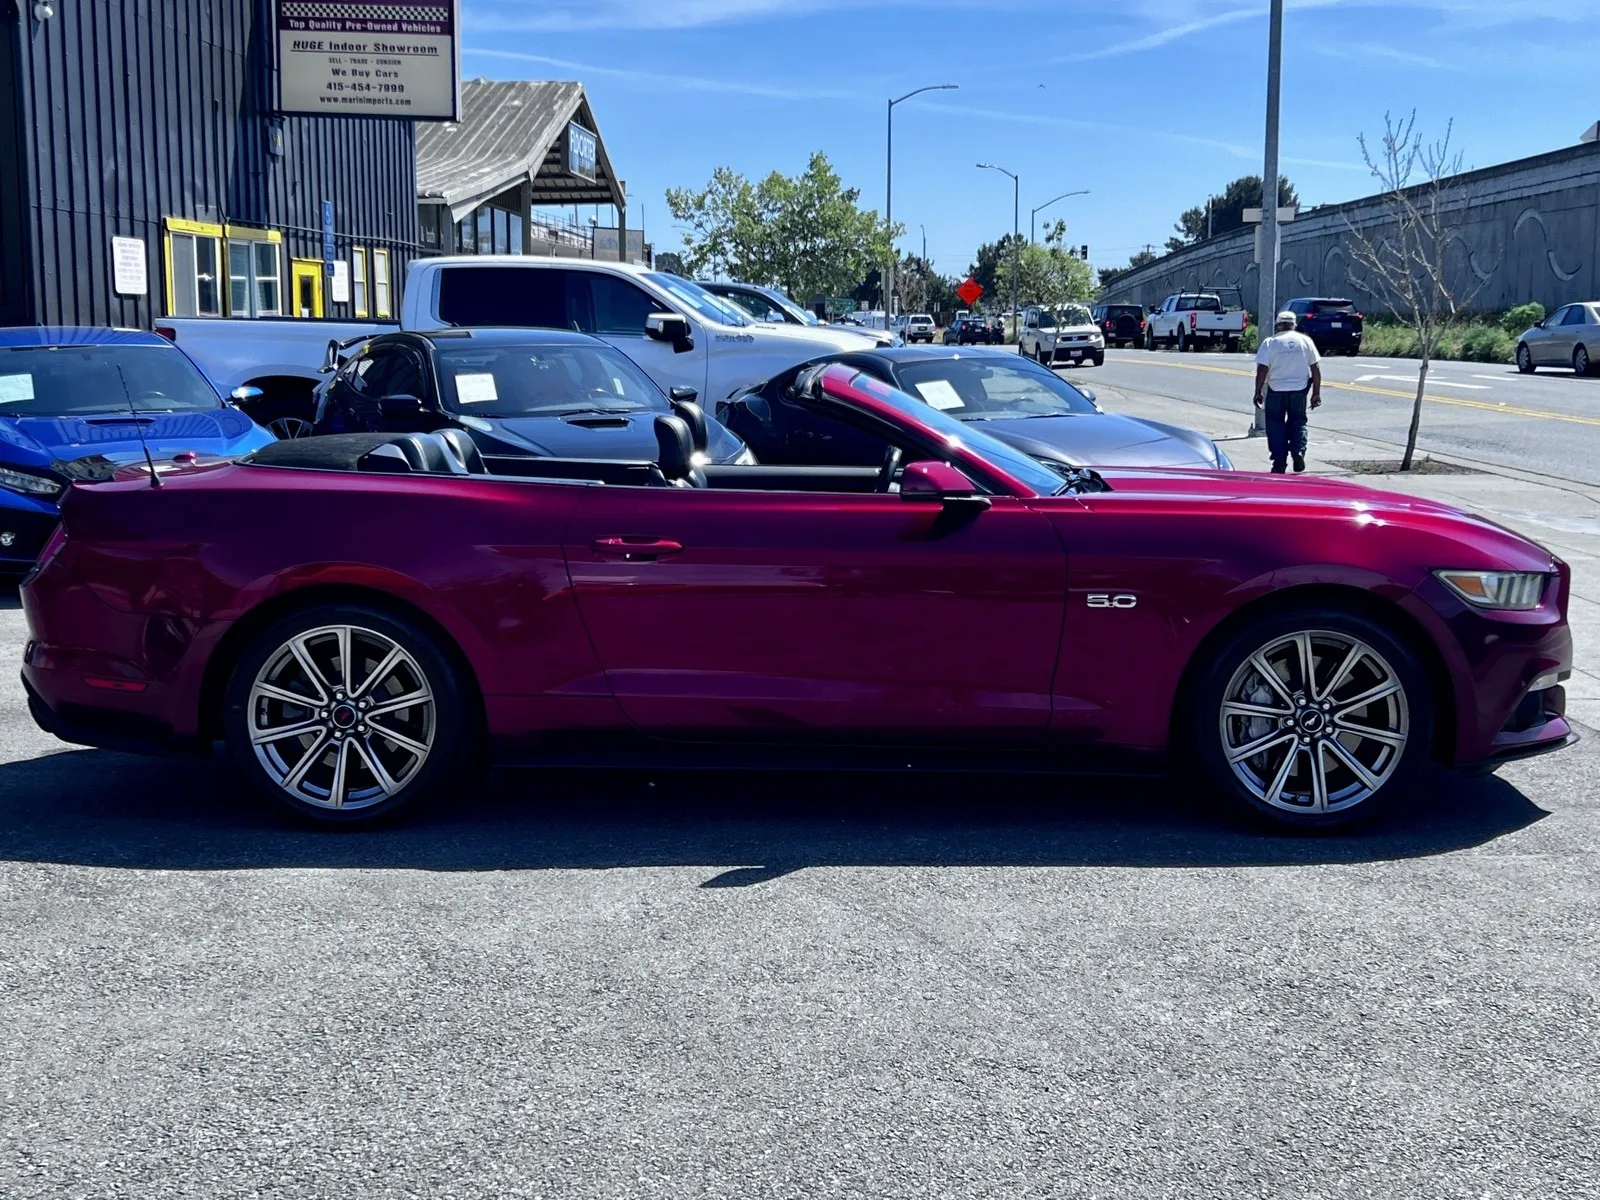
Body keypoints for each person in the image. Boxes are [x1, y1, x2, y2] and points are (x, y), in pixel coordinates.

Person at [1253, 310, 1323, 473]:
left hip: (1276, 389)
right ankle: (1298, 450)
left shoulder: (1270, 342)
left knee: (1275, 425)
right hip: (1299, 390)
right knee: (1298, 422)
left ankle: (1279, 463)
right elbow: (1316, 368)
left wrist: (1257, 391)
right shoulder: (1305, 341)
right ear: (1294, 325)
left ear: (1278, 325)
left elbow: (1262, 369)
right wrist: (1316, 393)